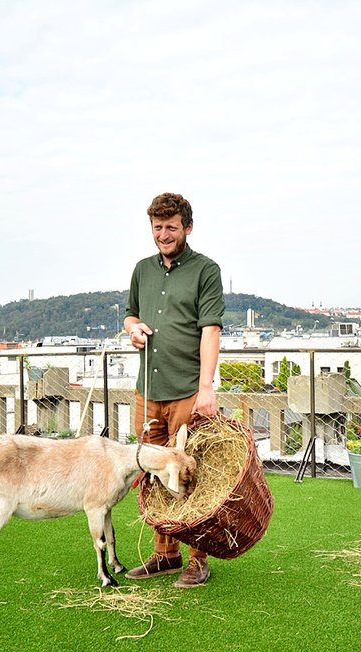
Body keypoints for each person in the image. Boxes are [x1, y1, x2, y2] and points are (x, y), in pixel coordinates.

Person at [122, 192, 224, 588]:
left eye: (171, 227)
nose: (163, 234)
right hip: (148, 390)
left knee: (193, 476)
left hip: (187, 390)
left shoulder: (205, 270)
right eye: (157, 227)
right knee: (151, 475)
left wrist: (205, 389)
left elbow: (210, 330)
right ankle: (165, 554)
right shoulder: (141, 270)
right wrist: (132, 328)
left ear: (187, 228)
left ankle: (198, 560)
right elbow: (131, 313)